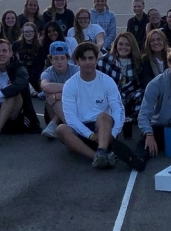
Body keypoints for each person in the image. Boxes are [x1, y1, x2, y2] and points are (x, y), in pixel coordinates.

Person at [55, 42, 144, 170]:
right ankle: (99, 157)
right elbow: (71, 118)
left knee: (103, 116)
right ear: (77, 61)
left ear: (97, 59)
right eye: (83, 59)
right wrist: (91, 136)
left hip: (104, 128)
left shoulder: (107, 81)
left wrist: (111, 135)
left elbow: (118, 110)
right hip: (82, 131)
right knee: (61, 129)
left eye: (91, 58)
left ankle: (102, 148)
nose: (88, 62)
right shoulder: (70, 85)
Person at [98, 32, 147, 129]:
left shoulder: (138, 62)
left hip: (130, 96)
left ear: (132, 46)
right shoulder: (104, 60)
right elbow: (99, 84)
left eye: (127, 45)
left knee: (141, 94)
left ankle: (133, 119)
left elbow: (139, 84)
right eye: (120, 44)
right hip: (110, 96)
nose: (123, 47)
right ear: (116, 45)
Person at [39, 41, 81, 139]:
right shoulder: (47, 72)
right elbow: (45, 86)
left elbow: (81, 89)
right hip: (54, 109)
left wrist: (58, 95)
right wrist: (69, 89)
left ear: (67, 58)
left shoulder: (76, 70)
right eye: (55, 58)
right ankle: (74, 129)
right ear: (51, 60)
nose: (59, 61)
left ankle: (54, 124)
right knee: (53, 98)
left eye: (62, 58)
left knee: (55, 97)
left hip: (76, 108)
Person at [13, 22, 47, 95]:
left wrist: (32, 75)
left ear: (35, 32)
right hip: (20, 73)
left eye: (30, 31)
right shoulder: (17, 44)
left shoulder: (40, 47)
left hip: (34, 75)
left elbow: (41, 64)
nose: (28, 33)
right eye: (26, 31)